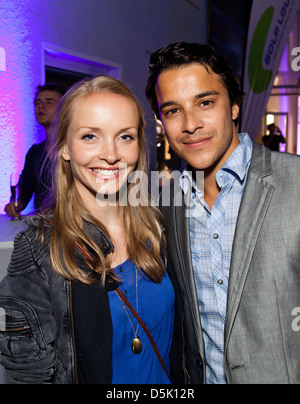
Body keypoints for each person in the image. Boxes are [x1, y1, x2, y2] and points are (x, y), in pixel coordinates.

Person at [0, 76, 181, 384]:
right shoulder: (39, 248)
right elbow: (29, 373)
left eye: (125, 137)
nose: (110, 154)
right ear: (64, 147)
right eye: (90, 137)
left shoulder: (160, 224)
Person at [145, 41, 300, 384]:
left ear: (233, 106)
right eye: (172, 111)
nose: (190, 124)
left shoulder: (295, 184)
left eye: (205, 102)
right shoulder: (163, 204)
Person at [4, 84, 66, 218]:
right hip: (42, 230)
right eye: (38, 102)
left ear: (64, 109)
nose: (41, 106)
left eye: (49, 102)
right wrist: (15, 205)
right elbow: (24, 193)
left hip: (72, 230)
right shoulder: (34, 152)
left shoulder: (77, 149)